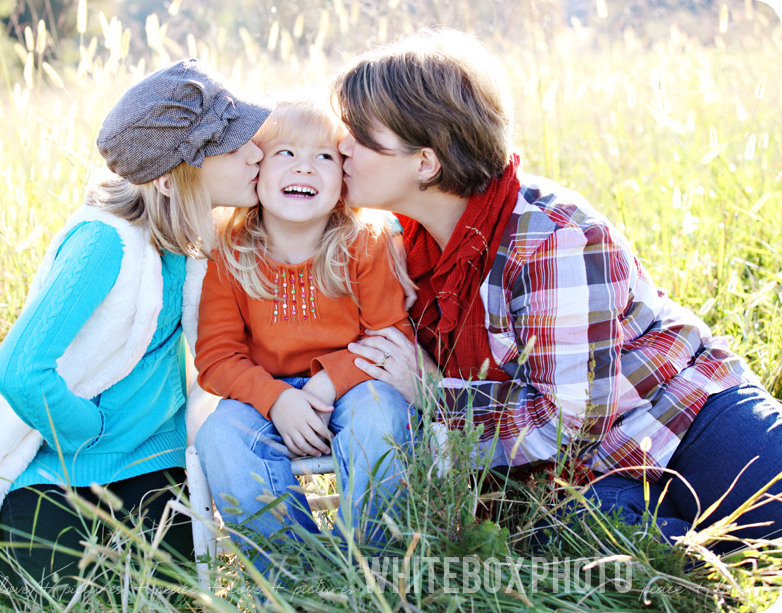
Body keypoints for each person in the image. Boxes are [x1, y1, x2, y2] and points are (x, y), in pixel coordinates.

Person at [333, 28, 782, 552]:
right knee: (604, 547)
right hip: (583, 482)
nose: (340, 144)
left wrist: (435, 396)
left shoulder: (553, 239)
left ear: (426, 163)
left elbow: (566, 424)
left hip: (683, 414)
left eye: (360, 135)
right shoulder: (395, 241)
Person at [0, 59, 270, 588]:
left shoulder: (194, 242)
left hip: (155, 464)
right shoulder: (102, 243)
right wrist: (86, 431)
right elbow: (21, 369)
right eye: (233, 147)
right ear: (170, 179)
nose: (256, 152)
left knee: (169, 591)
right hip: (65, 470)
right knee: (54, 591)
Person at [193, 99, 413, 573]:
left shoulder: (364, 242)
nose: (305, 168)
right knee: (222, 435)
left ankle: (373, 568)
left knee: (382, 417)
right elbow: (217, 358)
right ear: (256, 171)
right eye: (286, 154)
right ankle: (296, 575)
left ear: (343, 180)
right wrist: (276, 400)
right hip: (262, 394)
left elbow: (389, 335)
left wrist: (329, 381)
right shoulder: (229, 251)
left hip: (355, 387)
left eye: (324, 157)